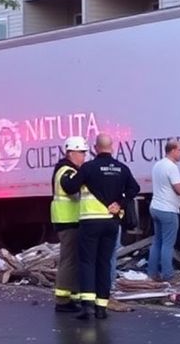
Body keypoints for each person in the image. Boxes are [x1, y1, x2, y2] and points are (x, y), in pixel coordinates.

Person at [61, 133, 139, 320]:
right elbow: (134, 189)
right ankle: (101, 307)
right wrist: (119, 203)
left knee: (88, 262)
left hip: (90, 222)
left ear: (95, 148)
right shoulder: (122, 168)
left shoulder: (89, 167)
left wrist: (65, 175)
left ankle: (87, 307)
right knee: (104, 263)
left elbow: (70, 187)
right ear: (112, 147)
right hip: (111, 223)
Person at [147, 140, 180, 282]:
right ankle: (167, 275)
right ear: (173, 150)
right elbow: (179, 189)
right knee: (168, 244)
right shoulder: (171, 167)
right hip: (168, 209)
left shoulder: (158, 165)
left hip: (155, 206)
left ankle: (152, 273)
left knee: (157, 241)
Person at [51, 136, 87, 313]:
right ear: (71, 153)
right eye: (81, 152)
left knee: (73, 260)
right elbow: (71, 187)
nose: (84, 156)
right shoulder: (66, 171)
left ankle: (72, 296)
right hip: (68, 220)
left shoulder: (67, 169)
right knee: (69, 261)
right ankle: (62, 300)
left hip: (69, 220)